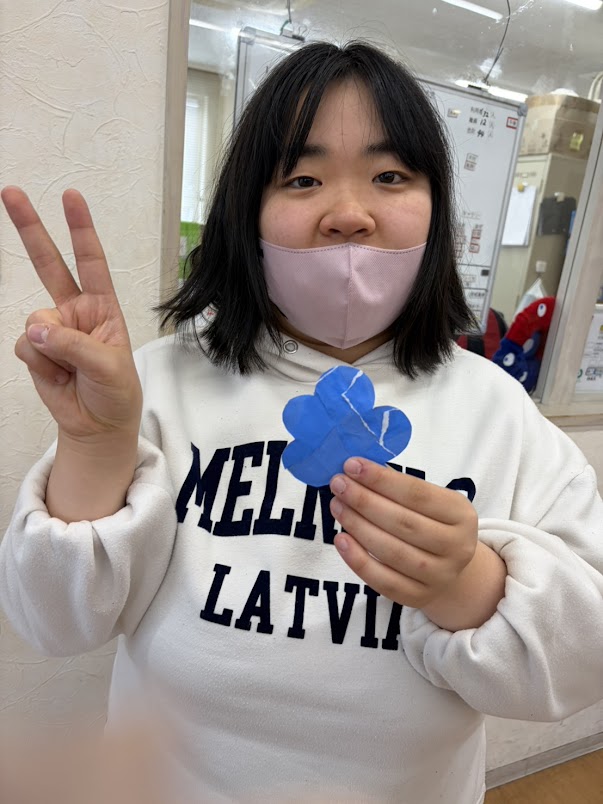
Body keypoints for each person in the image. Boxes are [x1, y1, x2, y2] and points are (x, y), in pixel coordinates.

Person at [1, 41, 602, 804]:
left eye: (390, 176)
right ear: (245, 212)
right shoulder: (154, 384)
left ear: (438, 206)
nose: (347, 214)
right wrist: (93, 446)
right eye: (302, 179)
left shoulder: (498, 409)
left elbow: (580, 664)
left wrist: (468, 584)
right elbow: (55, 624)